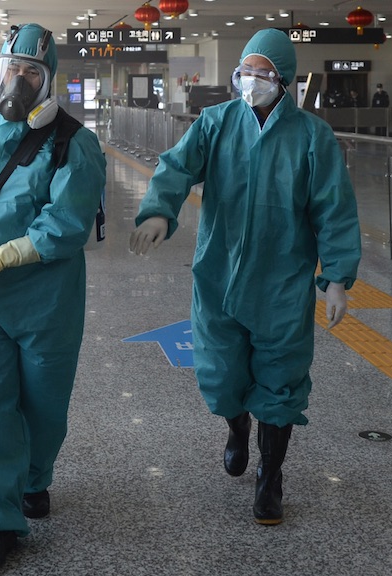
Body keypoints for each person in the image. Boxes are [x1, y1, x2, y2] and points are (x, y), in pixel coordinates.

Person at [129, 28, 361, 526]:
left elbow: (334, 210)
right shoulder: (215, 123)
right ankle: (237, 428)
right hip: (219, 274)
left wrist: (338, 278)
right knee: (220, 374)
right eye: (246, 71)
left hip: (283, 280)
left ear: (284, 79)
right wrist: (159, 211)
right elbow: (176, 167)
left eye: (263, 72)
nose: (252, 80)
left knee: (281, 381)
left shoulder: (312, 136)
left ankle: (269, 479)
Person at [0, 23, 107, 573]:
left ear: (48, 81)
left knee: (43, 408)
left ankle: (34, 478)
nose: (19, 79)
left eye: (33, 72)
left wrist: (4, 255)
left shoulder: (72, 143)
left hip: (45, 302)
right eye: (12, 67)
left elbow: (67, 223)